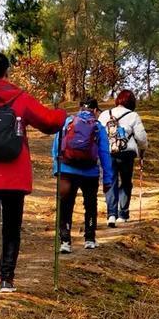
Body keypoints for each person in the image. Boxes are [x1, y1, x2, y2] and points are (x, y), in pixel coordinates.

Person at [0, 51, 68, 297]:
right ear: (7, 71)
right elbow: (49, 122)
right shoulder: (20, 98)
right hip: (14, 175)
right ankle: (7, 278)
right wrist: (62, 114)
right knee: (12, 226)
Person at [52, 99, 113, 250]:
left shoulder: (68, 122)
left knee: (65, 204)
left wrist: (57, 170)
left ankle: (65, 241)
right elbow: (105, 154)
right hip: (90, 172)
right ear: (94, 111)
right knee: (90, 205)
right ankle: (90, 238)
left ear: (80, 108)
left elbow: (56, 147)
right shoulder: (98, 127)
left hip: (66, 170)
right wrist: (107, 179)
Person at [100, 89, 148, 224]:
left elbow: (98, 134)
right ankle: (123, 214)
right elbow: (141, 137)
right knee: (126, 182)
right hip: (127, 153)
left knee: (111, 181)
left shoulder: (105, 114)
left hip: (108, 153)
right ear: (131, 102)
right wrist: (143, 150)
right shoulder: (133, 116)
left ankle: (111, 215)